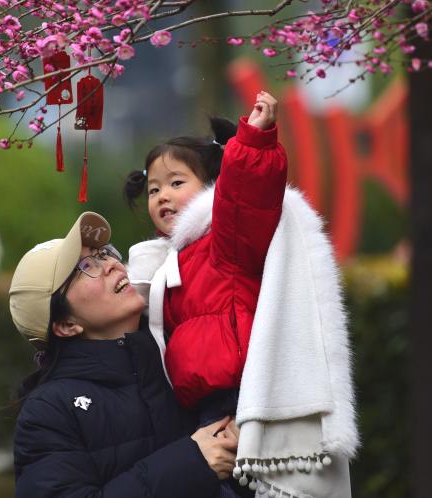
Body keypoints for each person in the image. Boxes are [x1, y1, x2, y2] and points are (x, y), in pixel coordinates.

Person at [124, 93, 358, 497]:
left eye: (176, 183)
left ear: (212, 187)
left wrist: (252, 143)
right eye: (154, 189)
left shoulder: (223, 241)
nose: (162, 196)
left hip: (238, 397)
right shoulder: (168, 262)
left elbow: (245, 200)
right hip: (202, 406)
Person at [8, 211, 238, 498]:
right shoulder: (49, 411)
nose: (111, 265)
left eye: (103, 253)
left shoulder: (181, 352)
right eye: (85, 266)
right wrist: (193, 462)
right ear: (66, 325)